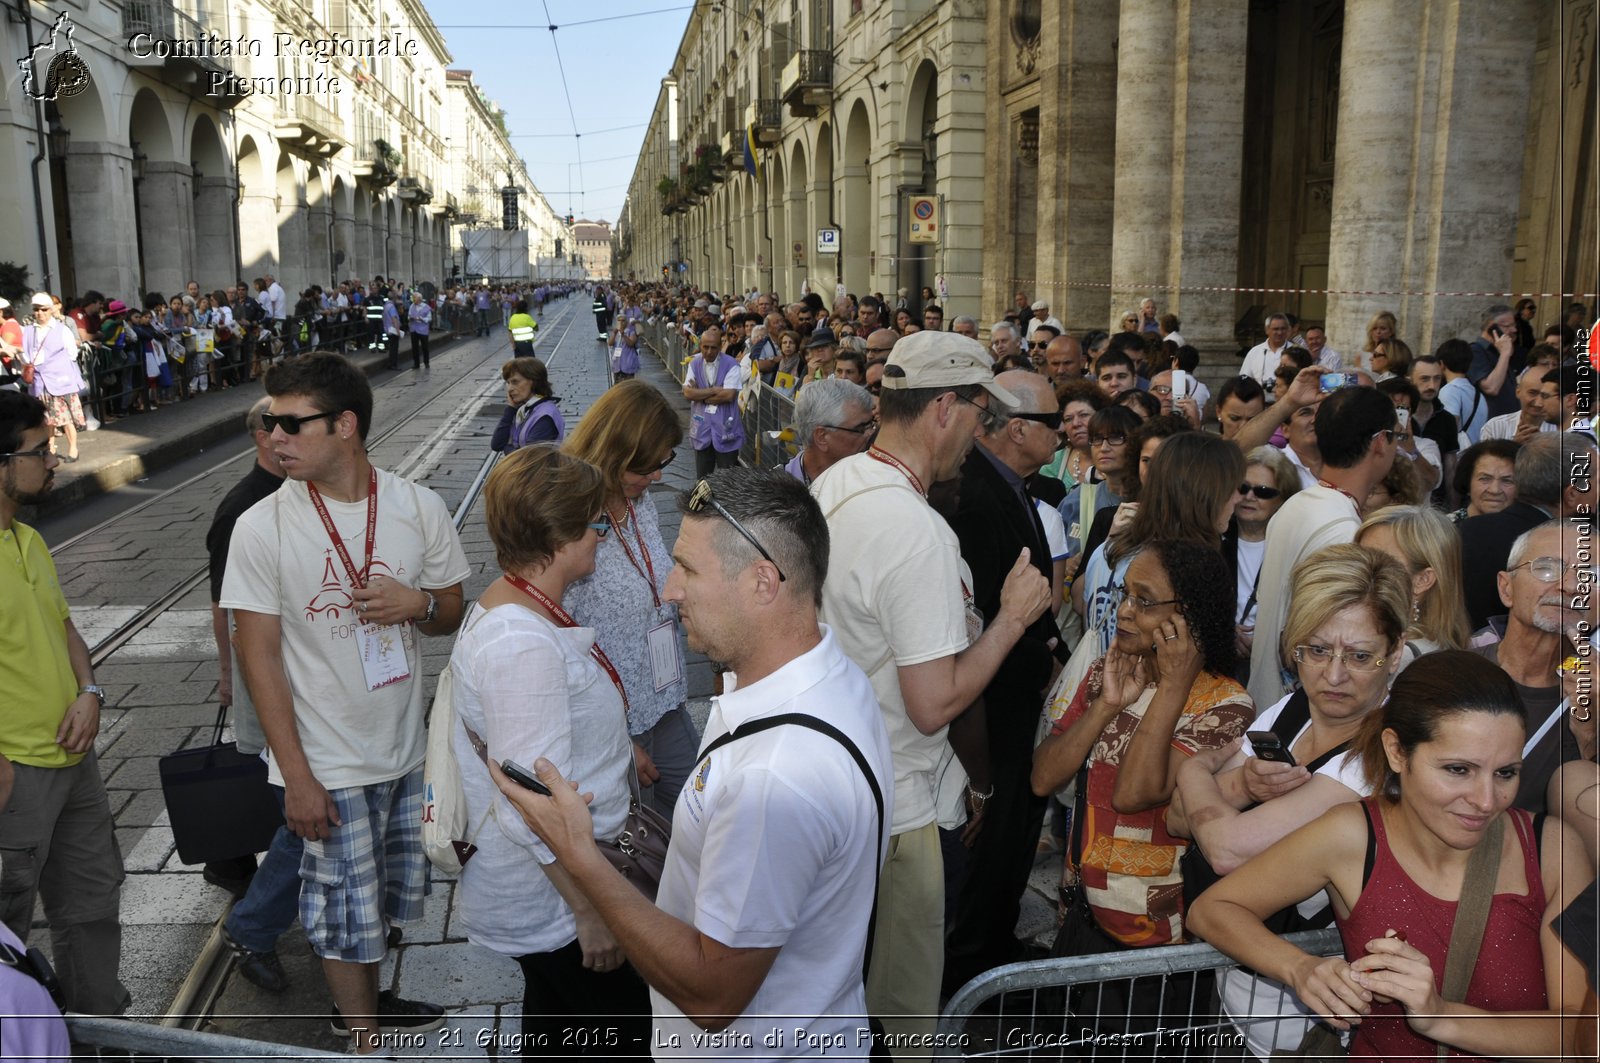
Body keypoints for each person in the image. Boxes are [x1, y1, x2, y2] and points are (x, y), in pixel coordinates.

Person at [487, 469, 893, 1058]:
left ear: (761, 583)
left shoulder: (773, 779)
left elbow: (712, 998)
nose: (670, 589)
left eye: (689, 568)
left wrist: (579, 854)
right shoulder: (833, 676)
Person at [221, 353, 470, 1054]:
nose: (274, 436)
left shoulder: (416, 505)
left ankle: (365, 1005)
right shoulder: (260, 526)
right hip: (327, 761)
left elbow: (451, 606)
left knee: (383, 905)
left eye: (290, 423)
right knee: (339, 918)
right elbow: (258, 654)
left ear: (346, 425)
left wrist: (415, 603)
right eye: (270, 422)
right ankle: (363, 1038)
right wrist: (295, 774)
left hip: (403, 746)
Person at [811, 330, 1050, 1053]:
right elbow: (935, 701)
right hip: (904, 809)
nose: (982, 437)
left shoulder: (839, 481)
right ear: (945, 407)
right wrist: (1011, 619)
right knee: (903, 1015)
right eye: (982, 417)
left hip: (852, 781)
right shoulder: (916, 530)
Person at [1188, 651, 1594, 1062]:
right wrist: (1299, 968)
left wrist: (1440, 1016)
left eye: (1506, 773)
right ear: (1397, 752)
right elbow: (1213, 909)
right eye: (1458, 769)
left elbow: (1580, 1035)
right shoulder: (1353, 835)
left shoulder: (1553, 852)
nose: (1486, 801)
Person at [1169, 543, 1411, 1059]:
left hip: (1308, 1027)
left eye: (1360, 656)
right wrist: (1234, 788)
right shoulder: (1291, 706)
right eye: (1316, 651)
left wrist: (1194, 768)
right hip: (1236, 991)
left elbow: (1226, 848)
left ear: (1397, 651)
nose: (1334, 676)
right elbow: (1176, 817)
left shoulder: (1378, 755)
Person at [449, 445, 651, 1055]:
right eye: (594, 525)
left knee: (556, 1028)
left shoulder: (517, 602)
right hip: (563, 901)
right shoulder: (521, 643)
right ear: (559, 538)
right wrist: (589, 912)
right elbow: (526, 804)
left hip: (563, 886)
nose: (601, 536)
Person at [1031, 539, 1253, 1048]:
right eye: (1126, 594)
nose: (1125, 612)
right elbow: (1042, 778)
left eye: (1145, 600)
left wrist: (1172, 686)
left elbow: (1135, 794)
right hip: (1082, 920)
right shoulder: (1111, 671)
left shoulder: (1225, 705)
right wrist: (1107, 706)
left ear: (1188, 616)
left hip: (1157, 953)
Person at [0, 390, 128, 1016]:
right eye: (39, 450)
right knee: (7, 926)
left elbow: (66, 629)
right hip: (13, 775)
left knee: (94, 905)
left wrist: (90, 691)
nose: (52, 461)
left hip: (73, 761)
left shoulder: (26, 539)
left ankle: (99, 1028)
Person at [943, 371, 1068, 991]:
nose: (1066, 430)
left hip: (1019, 696)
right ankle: (974, 969)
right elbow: (980, 620)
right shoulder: (975, 497)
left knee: (1017, 829)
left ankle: (996, 944)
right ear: (1017, 429)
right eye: (1053, 420)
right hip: (993, 705)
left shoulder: (1014, 486)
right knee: (995, 834)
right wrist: (1041, 659)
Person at [563, 381, 693, 816]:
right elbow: (557, 643)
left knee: (698, 822)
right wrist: (613, 740)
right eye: (648, 466)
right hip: (612, 724)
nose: (658, 476)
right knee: (641, 855)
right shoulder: (569, 518)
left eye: (664, 462)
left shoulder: (639, 502)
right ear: (616, 453)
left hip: (665, 697)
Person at [1247, 385, 1399, 710]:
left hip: (1269, 699)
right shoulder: (1343, 531)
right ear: (1380, 442)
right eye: (1396, 436)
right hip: (1301, 710)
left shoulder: (1298, 503)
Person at [1469, 519, 1589, 813]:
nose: (1571, 586)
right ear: (1506, 587)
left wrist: (1589, 735)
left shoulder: (1592, 690)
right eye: (1548, 567)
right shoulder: (1452, 674)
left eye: (1590, 575)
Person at [1228, 446, 1300, 671]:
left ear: (1282, 499)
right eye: (1243, 487)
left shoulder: (1294, 545)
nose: (1250, 497)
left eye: (1263, 491)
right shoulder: (1213, 537)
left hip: (1273, 662)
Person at [21, 294, 86, 463]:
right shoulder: (27, 331)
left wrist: (57, 368)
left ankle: (73, 448)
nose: (40, 313)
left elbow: (72, 353)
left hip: (59, 381)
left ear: (51, 310)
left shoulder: (61, 329)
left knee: (65, 418)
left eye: (43, 309)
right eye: (36, 310)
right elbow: (24, 354)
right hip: (39, 382)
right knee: (46, 419)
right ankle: (50, 447)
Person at [784, 377, 875, 486]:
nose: (870, 434)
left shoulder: (873, 480)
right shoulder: (773, 495)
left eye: (871, 424)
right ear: (822, 437)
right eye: (861, 429)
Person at [683, 327, 743, 476]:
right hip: (702, 428)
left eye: (713, 348)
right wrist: (715, 390)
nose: (709, 352)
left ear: (720, 346)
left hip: (726, 429)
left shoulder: (731, 364)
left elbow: (728, 395)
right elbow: (688, 392)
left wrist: (700, 394)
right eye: (705, 347)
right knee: (702, 479)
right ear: (700, 345)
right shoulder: (694, 364)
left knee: (728, 479)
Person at [491, 357, 564, 454]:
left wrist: (507, 448)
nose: (509, 389)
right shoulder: (525, 409)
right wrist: (511, 408)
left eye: (515, 382)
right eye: (508, 383)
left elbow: (528, 458)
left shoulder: (545, 416)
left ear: (533, 381)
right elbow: (497, 444)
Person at [1449, 438, 1520, 522]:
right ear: (1467, 482)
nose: (1495, 490)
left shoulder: (1533, 532)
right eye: (1485, 479)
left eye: (1507, 481)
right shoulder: (1442, 530)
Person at [407, 291, 432, 370]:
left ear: (419, 299)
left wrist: (421, 319)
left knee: (425, 347)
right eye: (413, 298)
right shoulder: (412, 306)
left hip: (423, 330)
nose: (414, 300)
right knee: (415, 347)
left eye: (415, 298)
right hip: (414, 329)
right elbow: (409, 315)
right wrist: (410, 318)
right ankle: (416, 364)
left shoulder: (426, 307)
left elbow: (429, 318)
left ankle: (426, 362)